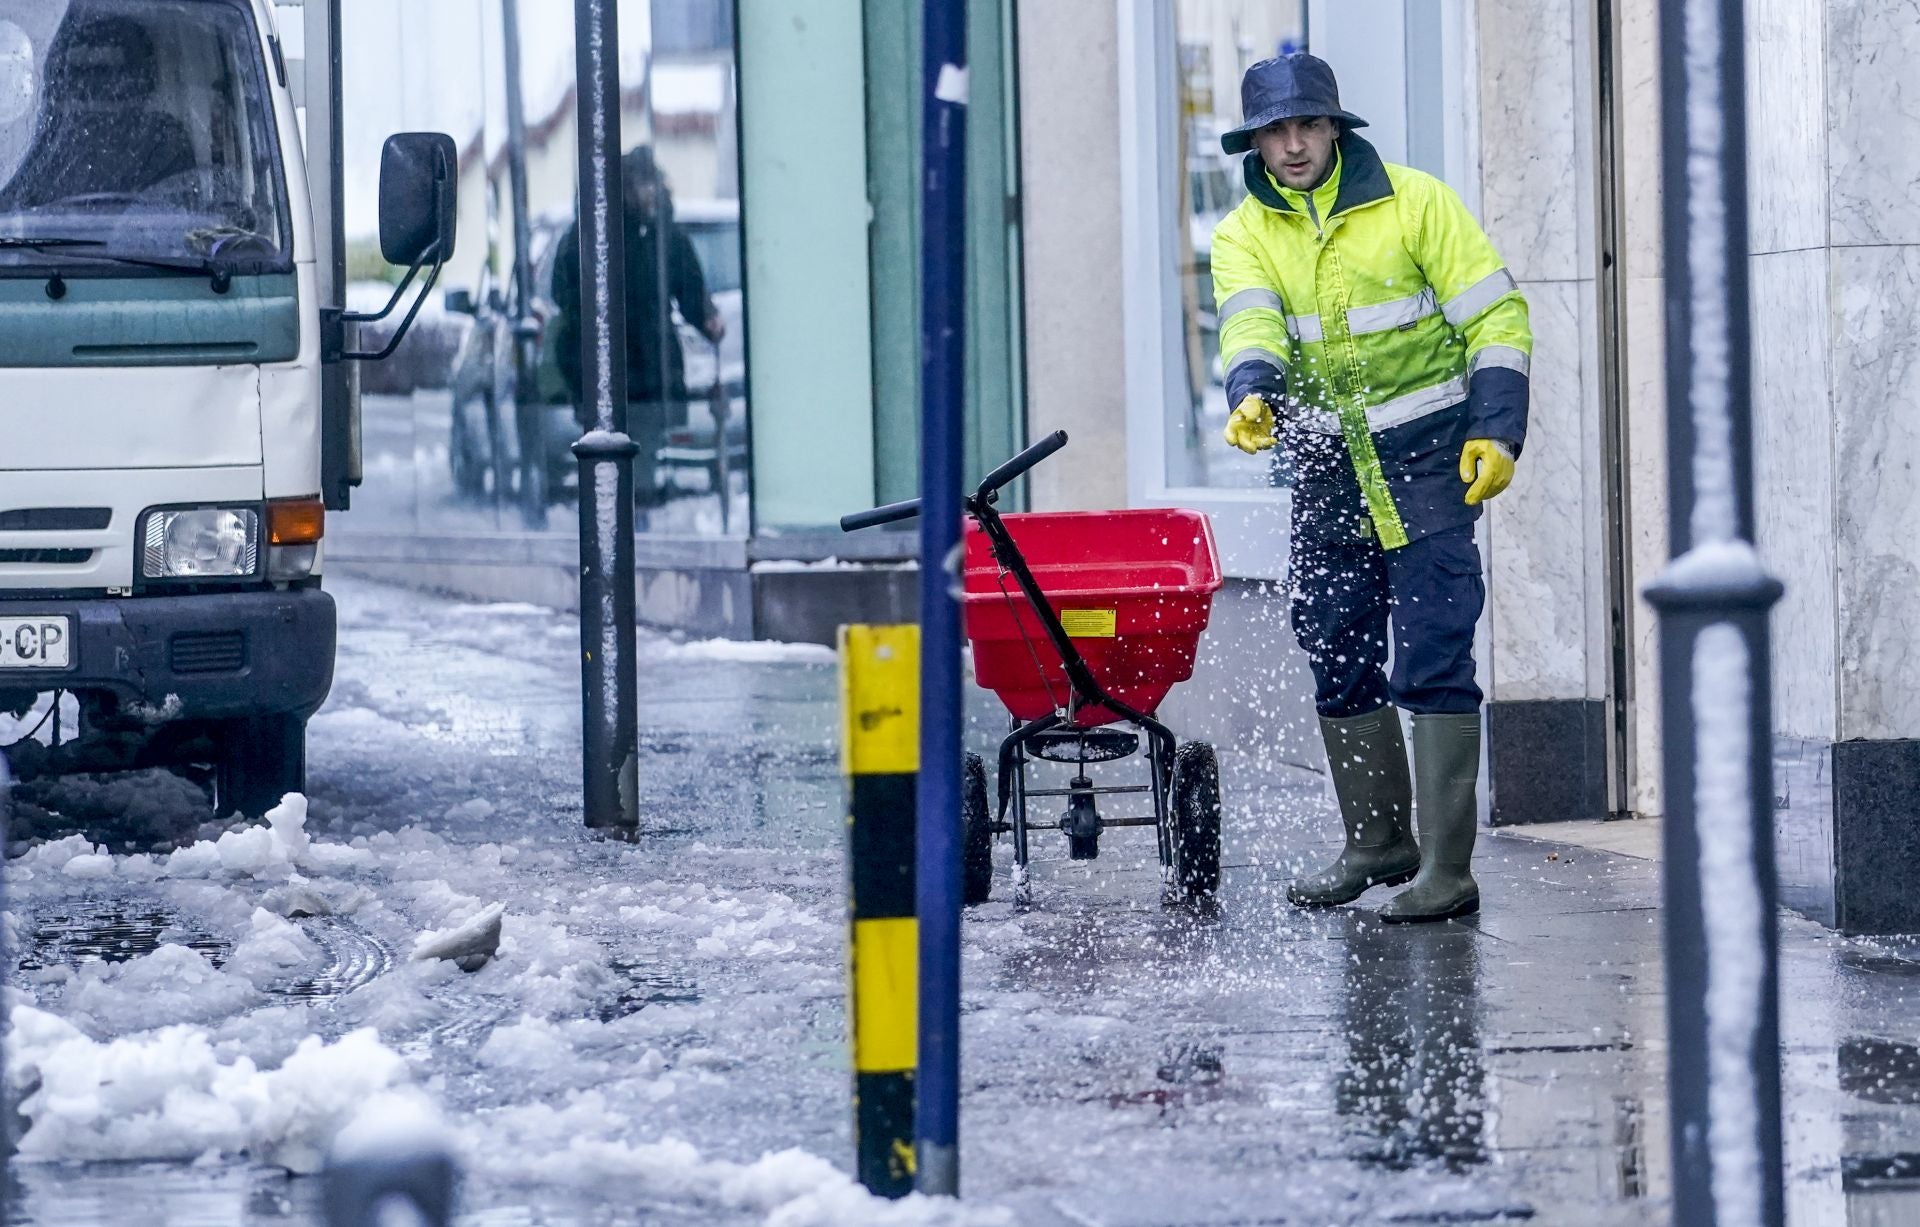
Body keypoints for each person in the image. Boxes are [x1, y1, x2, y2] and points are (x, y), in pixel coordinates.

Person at [1211, 54, 1531, 923]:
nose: (1292, 144)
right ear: (1257, 143)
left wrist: (1495, 428)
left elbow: (1497, 318)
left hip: (1430, 459)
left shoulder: (1417, 202)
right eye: (1275, 131)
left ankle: (1448, 868)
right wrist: (1251, 393)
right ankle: (1378, 843)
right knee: (1336, 644)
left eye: (1306, 125)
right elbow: (1251, 318)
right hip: (1327, 466)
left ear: (1335, 127)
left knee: (1432, 646)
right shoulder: (1243, 233)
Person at [551, 147, 724, 504]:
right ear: (625, 189)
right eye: (643, 184)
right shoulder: (592, 237)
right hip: (608, 371)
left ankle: (629, 520)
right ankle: (619, 522)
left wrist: (707, 319)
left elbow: (689, 290)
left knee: (637, 458)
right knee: (613, 459)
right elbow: (565, 294)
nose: (651, 191)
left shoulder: (663, 236)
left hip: (646, 370)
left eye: (653, 182)